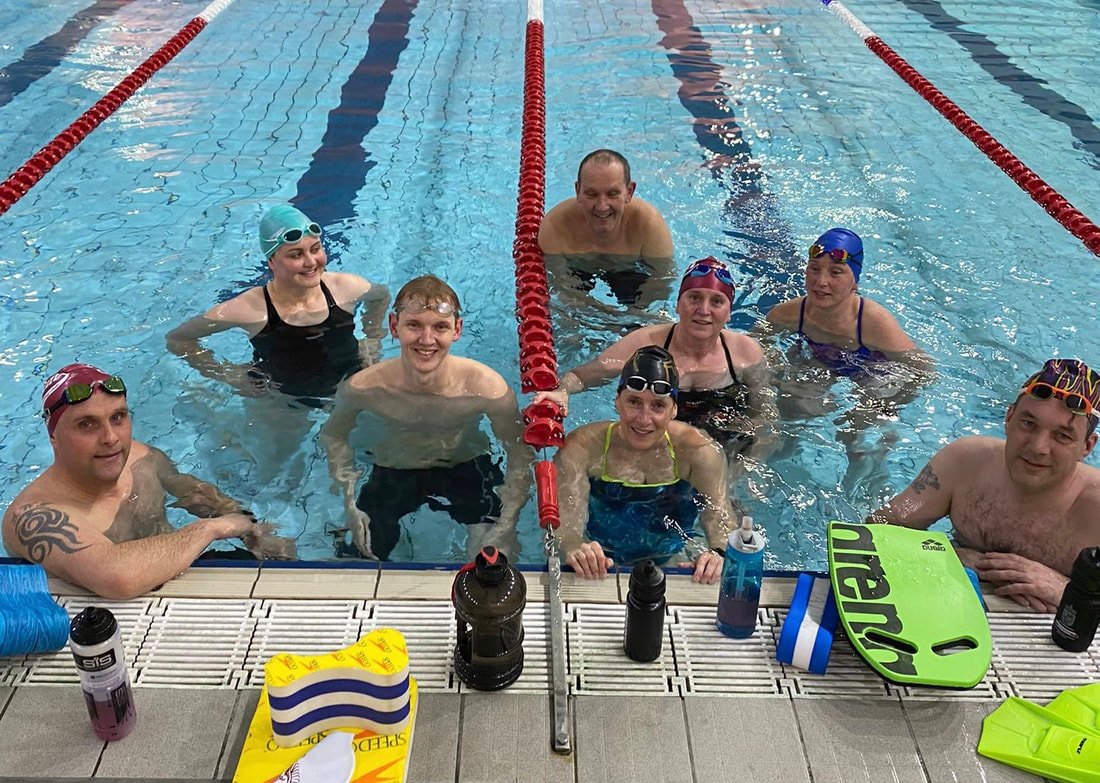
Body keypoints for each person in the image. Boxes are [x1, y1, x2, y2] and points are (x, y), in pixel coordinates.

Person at [1, 364, 296, 600]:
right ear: (54, 437)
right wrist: (214, 528)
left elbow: (193, 492)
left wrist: (252, 529)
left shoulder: (142, 458)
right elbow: (117, 577)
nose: (110, 438)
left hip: (182, 574)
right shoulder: (34, 516)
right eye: (86, 424)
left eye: (118, 417)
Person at [320, 275, 533, 561]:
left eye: (440, 327)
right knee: (359, 553)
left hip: (466, 469)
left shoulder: (487, 389)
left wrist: (507, 521)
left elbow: (519, 452)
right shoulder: (364, 389)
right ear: (394, 326)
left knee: (495, 558)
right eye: (414, 325)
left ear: (457, 330)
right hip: (393, 470)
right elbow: (334, 437)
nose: (427, 339)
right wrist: (349, 502)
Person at [867, 358, 1100, 613]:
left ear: (1087, 446)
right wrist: (949, 556)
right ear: (1009, 418)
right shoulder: (964, 462)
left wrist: (1067, 590)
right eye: (1029, 424)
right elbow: (875, 530)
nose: (1038, 448)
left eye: (1062, 436)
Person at [534, 257, 776, 458]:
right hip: (656, 428)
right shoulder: (645, 343)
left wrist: (749, 466)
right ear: (678, 305)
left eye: (716, 301)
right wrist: (563, 390)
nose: (703, 310)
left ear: (729, 313)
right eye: (694, 298)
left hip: (724, 431)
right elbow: (586, 374)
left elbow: (763, 415)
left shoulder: (745, 353)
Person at [166, 204, 389, 405]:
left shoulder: (346, 288)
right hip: (284, 400)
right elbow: (177, 339)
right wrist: (230, 376)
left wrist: (373, 338)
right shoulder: (251, 309)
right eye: (296, 255)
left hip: (351, 387)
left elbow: (381, 297)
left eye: (315, 249)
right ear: (271, 261)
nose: (311, 262)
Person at [554, 346, 738, 584]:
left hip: (673, 557)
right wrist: (574, 546)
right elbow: (564, 523)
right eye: (634, 402)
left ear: (674, 410)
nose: (644, 419)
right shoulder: (583, 447)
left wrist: (718, 553)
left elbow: (720, 516)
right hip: (600, 561)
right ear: (617, 401)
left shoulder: (699, 452)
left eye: (658, 406)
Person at [764, 227, 922, 374]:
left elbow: (924, 372)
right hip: (819, 361)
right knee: (795, 395)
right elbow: (755, 346)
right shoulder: (787, 314)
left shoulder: (875, 323)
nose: (821, 281)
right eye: (814, 269)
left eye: (835, 272)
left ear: (854, 281)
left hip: (872, 369)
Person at [540, 148, 674, 310]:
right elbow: (564, 293)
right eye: (592, 194)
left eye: (612, 194)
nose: (602, 206)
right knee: (568, 325)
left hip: (630, 270)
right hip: (576, 269)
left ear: (629, 192)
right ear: (578, 191)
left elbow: (661, 284)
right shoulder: (556, 227)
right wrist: (605, 318)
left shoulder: (649, 225)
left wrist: (633, 317)